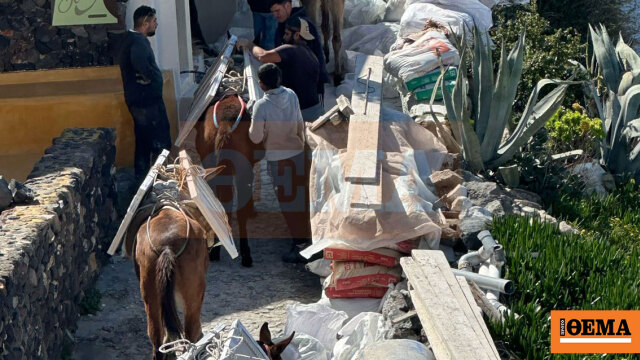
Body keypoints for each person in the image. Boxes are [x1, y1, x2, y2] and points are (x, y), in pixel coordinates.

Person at [249, 63, 311, 263]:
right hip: (297, 154)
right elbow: (300, 123)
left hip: (278, 160)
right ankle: (308, 239)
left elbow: (256, 138)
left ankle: (300, 246)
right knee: (301, 198)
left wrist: (252, 122)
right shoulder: (292, 95)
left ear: (261, 84)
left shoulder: (261, 106)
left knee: (288, 203)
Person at [119, 5, 171, 183]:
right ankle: (159, 180)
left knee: (143, 143)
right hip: (146, 102)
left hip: (141, 100)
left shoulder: (133, 40)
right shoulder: (137, 42)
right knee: (159, 142)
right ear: (145, 22)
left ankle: (143, 181)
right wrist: (150, 79)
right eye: (154, 21)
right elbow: (139, 62)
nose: (156, 24)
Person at [238, 17, 324, 122]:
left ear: (296, 35)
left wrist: (248, 44)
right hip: (317, 112)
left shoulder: (291, 50)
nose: (284, 37)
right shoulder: (313, 56)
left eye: (287, 34)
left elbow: (263, 56)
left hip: (300, 115)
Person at [270, 0, 329, 103]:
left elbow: (312, 58)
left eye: (277, 10)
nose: (275, 15)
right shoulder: (283, 24)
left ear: (288, 6)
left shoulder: (302, 25)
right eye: (273, 12)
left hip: (306, 91)